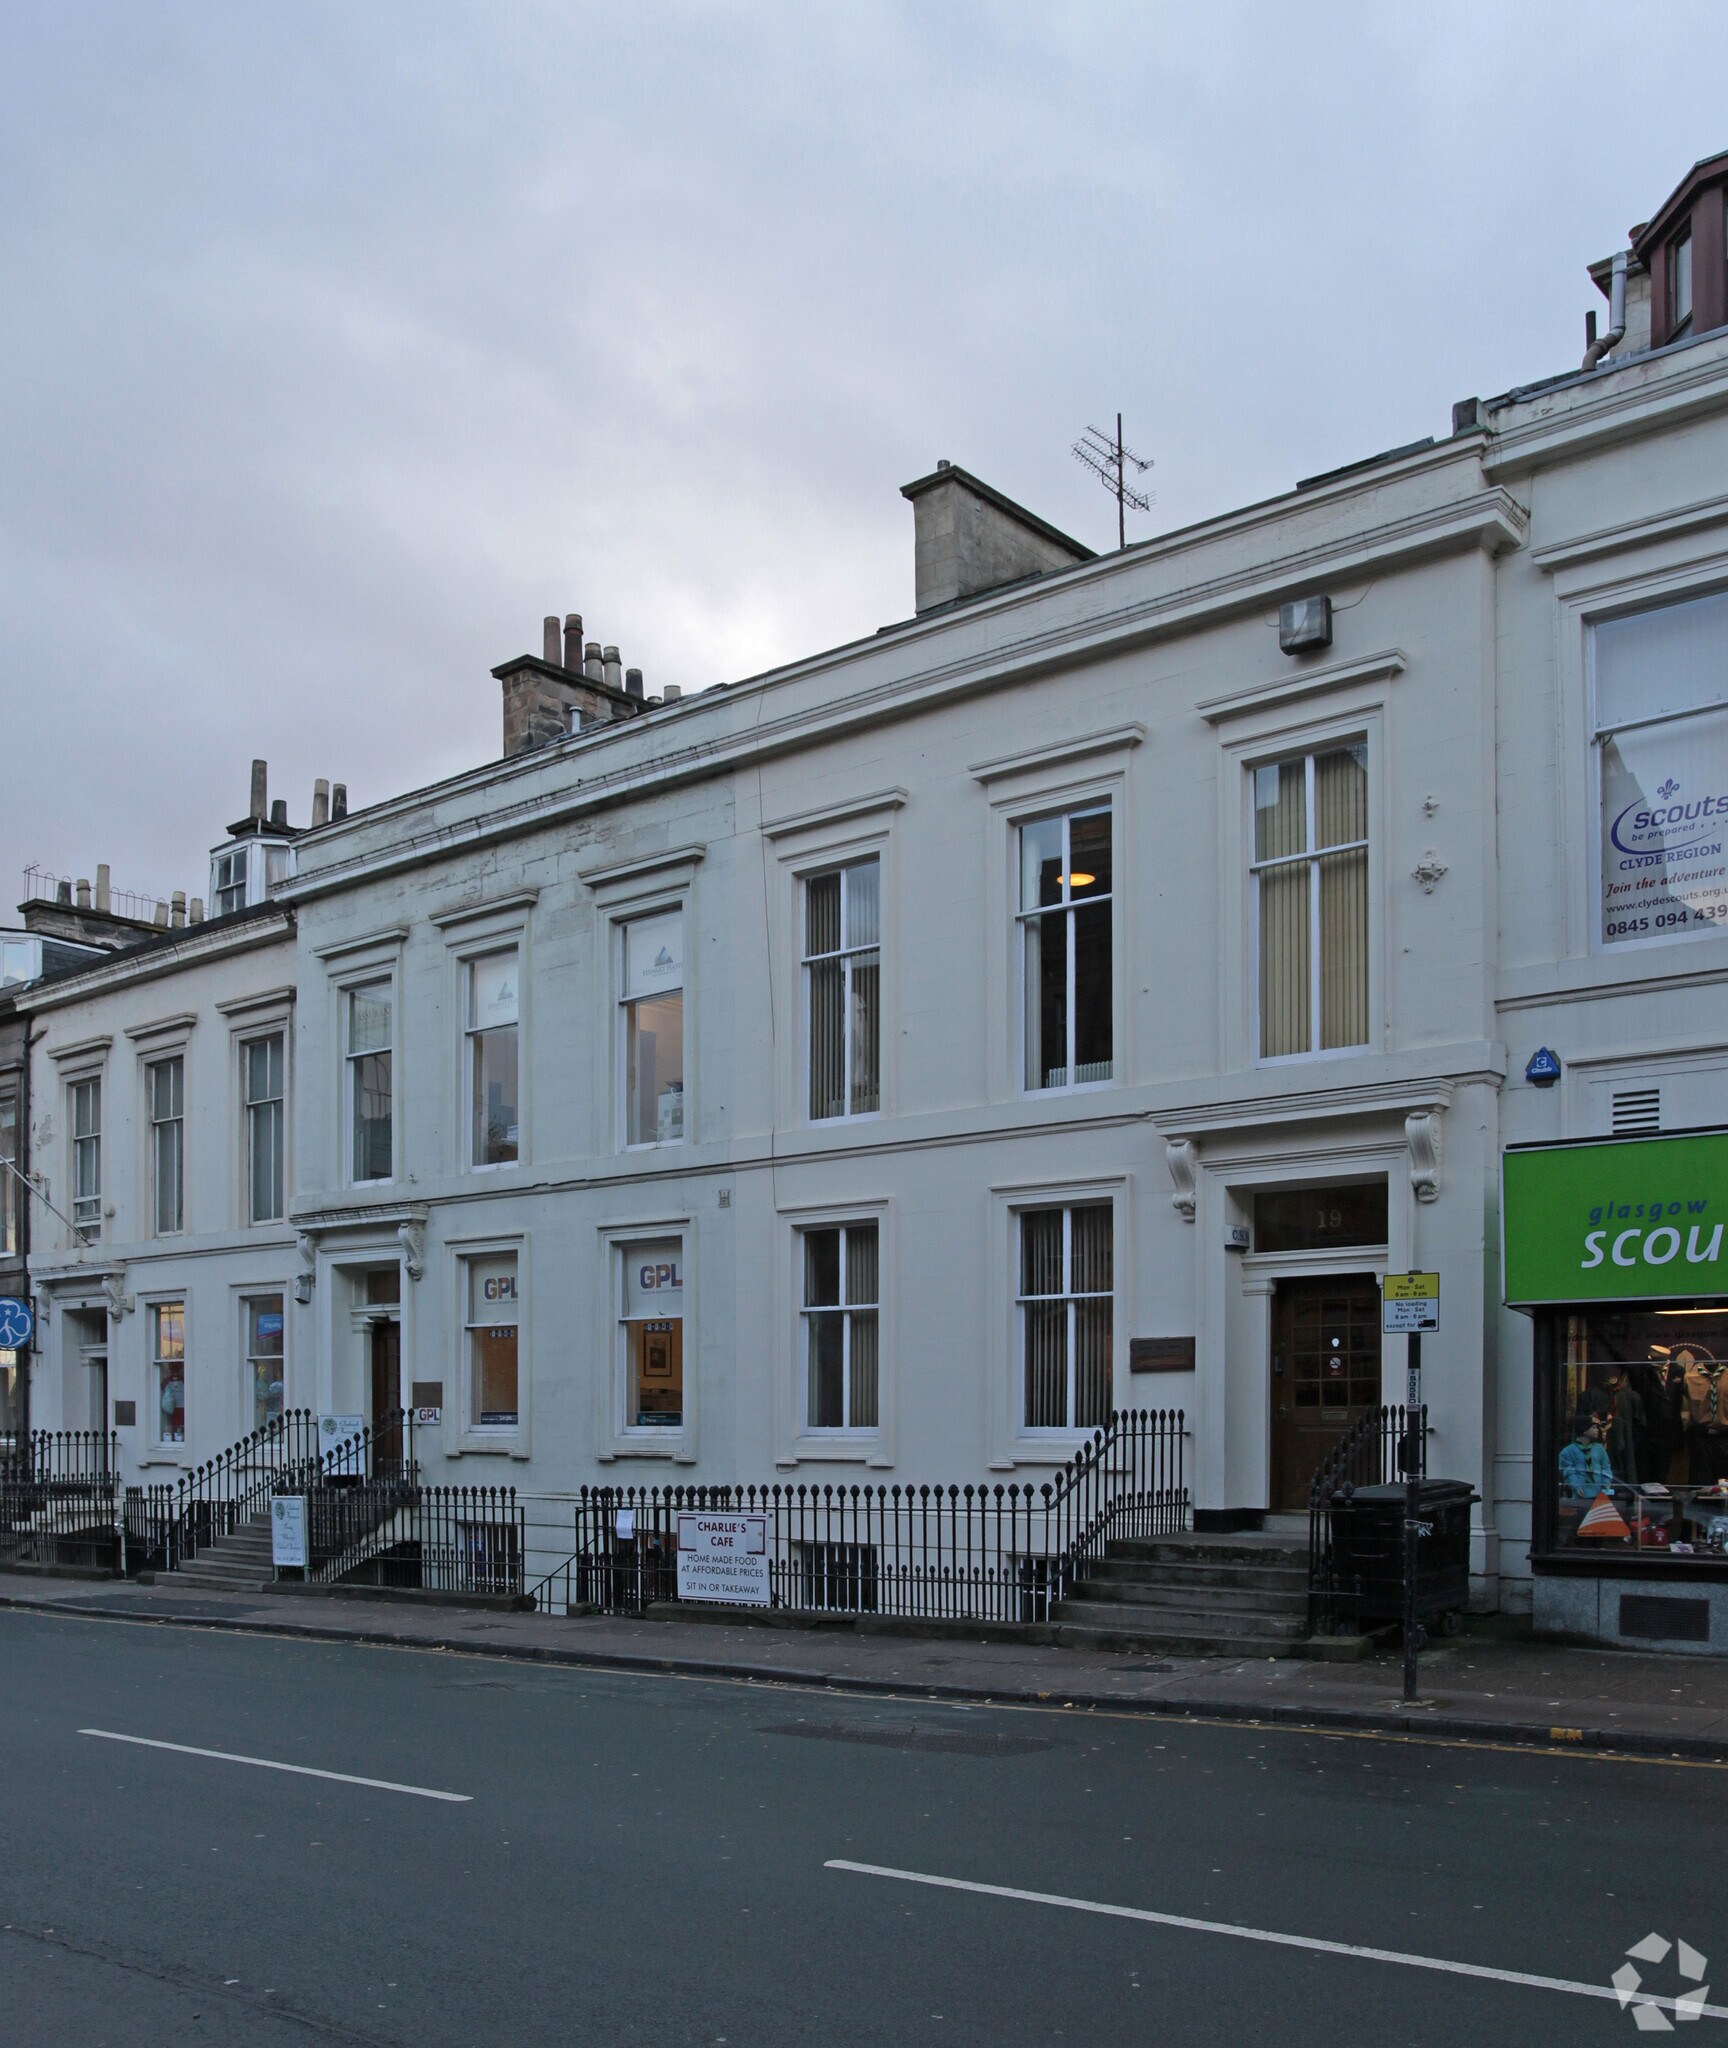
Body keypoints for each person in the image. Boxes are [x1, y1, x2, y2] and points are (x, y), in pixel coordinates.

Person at [1559, 1409, 1615, 1500]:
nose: (1597, 1430)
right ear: (1584, 1431)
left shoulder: (1599, 1449)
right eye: (1593, 1428)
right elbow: (1568, 1472)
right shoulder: (1568, 1452)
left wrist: (1606, 1484)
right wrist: (1576, 1486)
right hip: (1580, 1495)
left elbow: (1606, 1467)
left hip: (1599, 1495)